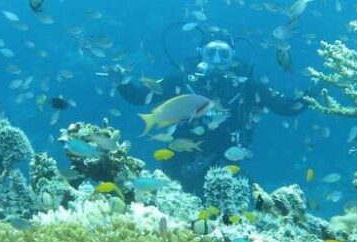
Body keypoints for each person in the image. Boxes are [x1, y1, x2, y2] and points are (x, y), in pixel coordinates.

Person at [117, 35, 307, 193]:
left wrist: (315, 92)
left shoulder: (247, 85)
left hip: (228, 160)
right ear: (201, 53)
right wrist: (121, 80)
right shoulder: (183, 81)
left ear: (232, 56)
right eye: (211, 53)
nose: (216, 59)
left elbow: (285, 107)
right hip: (180, 157)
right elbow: (139, 97)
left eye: (223, 54)